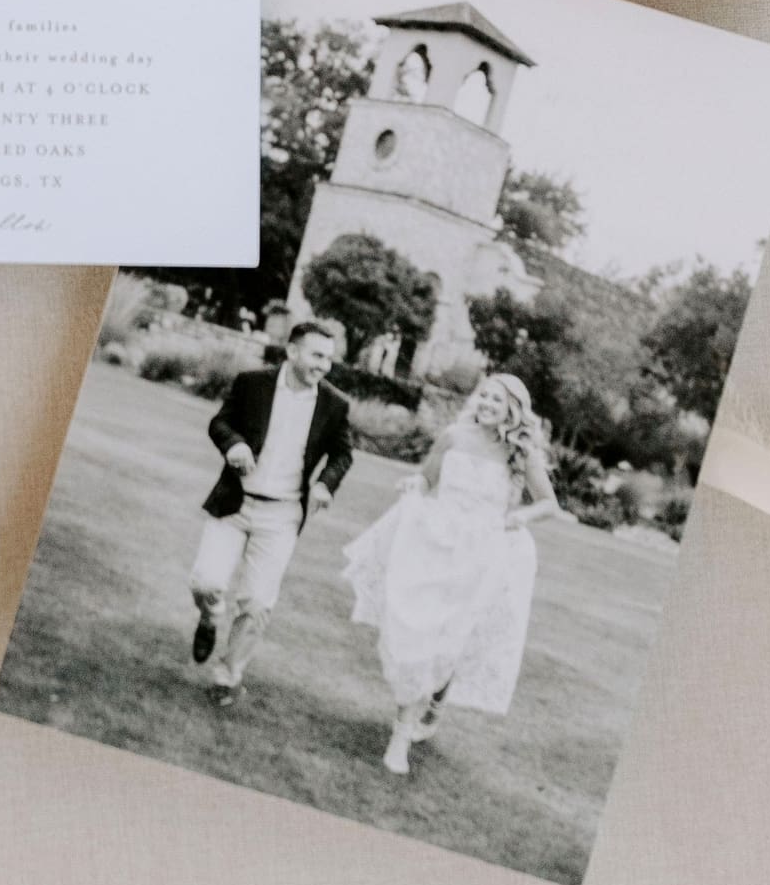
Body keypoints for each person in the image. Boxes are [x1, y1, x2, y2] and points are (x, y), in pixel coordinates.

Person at [342, 372, 562, 773]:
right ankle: (400, 738)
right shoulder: (453, 437)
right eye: (483, 397)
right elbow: (427, 479)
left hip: (483, 553)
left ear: (512, 409)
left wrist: (518, 517)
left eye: (497, 400)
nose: (487, 405)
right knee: (418, 635)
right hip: (436, 544)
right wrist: (413, 483)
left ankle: (434, 708)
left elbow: (549, 504)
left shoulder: (521, 452)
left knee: (454, 641)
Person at [188, 318, 354, 706]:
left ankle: (228, 676)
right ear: (292, 351)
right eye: (316, 355)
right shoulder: (252, 383)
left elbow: (343, 453)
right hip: (235, 503)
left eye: (329, 359)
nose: (323, 365)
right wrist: (234, 446)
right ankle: (210, 617)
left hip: (282, 516)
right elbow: (221, 422)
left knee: (258, 601)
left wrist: (325, 483)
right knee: (206, 583)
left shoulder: (334, 404)